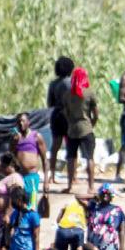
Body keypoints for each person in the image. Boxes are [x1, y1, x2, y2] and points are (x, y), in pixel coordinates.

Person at [62, 67, 99, 195]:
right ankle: (91, 187)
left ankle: (69, 186)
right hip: (86, 128)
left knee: (71, 158)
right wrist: (91, 124)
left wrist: (70, 122)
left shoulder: (67, 94)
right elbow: (96, 114)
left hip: (72, 130)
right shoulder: (89, 93)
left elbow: (65, 113)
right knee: (89, 158)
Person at [46, 56, 75, 192]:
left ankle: (51, 174)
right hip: (69, 116)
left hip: (56, 115)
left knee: (55, 146)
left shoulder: (53, 84)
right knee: (71, 146)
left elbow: (50, 103)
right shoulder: (71, 83)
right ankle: (73, 176)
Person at [12, 113, 47, 210]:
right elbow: (11, 157)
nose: (21, 124)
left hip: (31, 178)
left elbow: (45, 160)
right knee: (18, 205)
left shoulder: (36, 137)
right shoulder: (15, 138)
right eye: (19, 122)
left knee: (31, 206)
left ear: (28, 122)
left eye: (23, 121)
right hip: (19, 177)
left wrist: (46, 182)